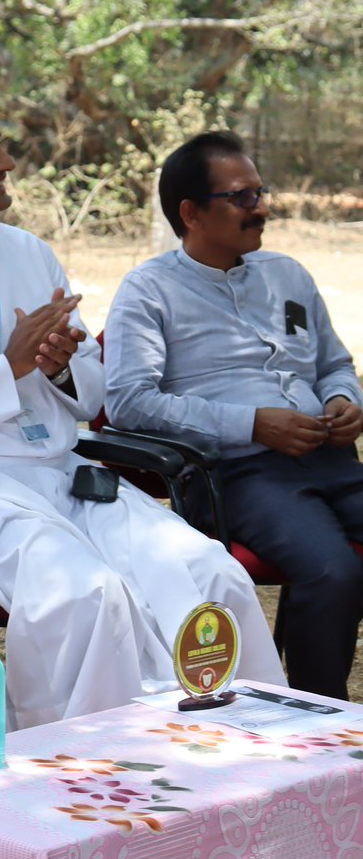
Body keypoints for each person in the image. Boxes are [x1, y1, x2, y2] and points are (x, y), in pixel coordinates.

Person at [0, 82, 284, 730]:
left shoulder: (26, 251)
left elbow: (94, 396)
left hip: (63, 473)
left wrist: (63, 365)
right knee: (88, 596)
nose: (6, 162)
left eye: (1, 145)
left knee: (211, 575)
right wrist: (8, 367)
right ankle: (91, 781)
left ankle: (237, 765)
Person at [105, 129, 363, 700]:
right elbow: (128, 402)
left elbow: (335, 364)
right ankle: (320, 720)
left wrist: (347, 401)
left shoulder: (287, 274)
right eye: (242, 198)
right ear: (191, 212)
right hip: (236, 474)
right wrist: (251, 424)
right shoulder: (149, 292)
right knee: (333, 572)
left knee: (338, 570)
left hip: (331, 457)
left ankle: (312, 707)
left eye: (260, 192)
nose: (261, 209)